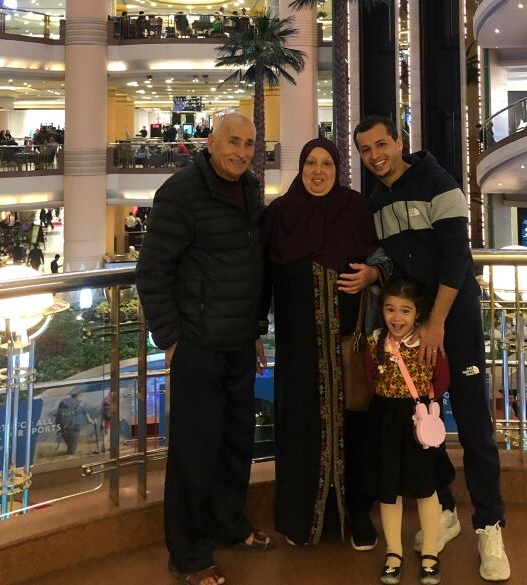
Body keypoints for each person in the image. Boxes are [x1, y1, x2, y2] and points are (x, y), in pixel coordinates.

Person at [354, 116, 510, 581]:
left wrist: (438, 321)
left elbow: (457, 256)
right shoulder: (377, 200)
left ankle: (489, 524)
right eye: (365, 149)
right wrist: (374, 276)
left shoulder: (439, 183)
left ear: (400, 142)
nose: (375, 155)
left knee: (474, 421)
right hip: (414, 330)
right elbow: (396, 262)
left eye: (382, 144)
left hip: (452, 321)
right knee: (420, 420)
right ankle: (442, 506)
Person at [136, 112, 270, 585]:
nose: (242, 151)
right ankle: (189, 553)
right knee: (194, 454)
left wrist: (255, 328)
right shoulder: (180, 192)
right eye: (234, 141)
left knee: (235, 444)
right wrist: (170, 338)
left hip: (237, 344)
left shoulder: (251, 189)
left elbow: (253, 265)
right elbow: (152, 271)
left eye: (250, 144)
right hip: (197, 346)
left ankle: (227, 524)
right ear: (211, 142)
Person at [258, 138, 385, 548]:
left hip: (348, 346)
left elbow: (384, 258)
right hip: (298, 351)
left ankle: (357, 517)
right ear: (300, 167)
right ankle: (301, 519)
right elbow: (261, 277)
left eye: (326, 163)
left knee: (358, 427)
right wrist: (256, 328)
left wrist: (373, 275)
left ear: (337, 168)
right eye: (310, 163)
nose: (318, 171)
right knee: (301, 428)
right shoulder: (279, 215)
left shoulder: (355, 208)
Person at [363, 279, 452, 585]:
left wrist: (424, 405)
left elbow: (442, 379)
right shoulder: (375, 341)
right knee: (390, 490)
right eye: (390, 309)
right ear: (382, 311)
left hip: (419, 423)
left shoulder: (427, 340)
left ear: (418, 313)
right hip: (385, 421)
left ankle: (430, 551)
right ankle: (393, 552)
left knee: (426, 489)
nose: (396, 318)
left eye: (405, 310)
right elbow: (371, 379)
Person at [55, 390, 94, 456]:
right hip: (75, 425)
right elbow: (88, 417)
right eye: (81, 396)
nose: (82, 398)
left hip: (64, 425)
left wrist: (58, 424)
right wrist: (91, 421)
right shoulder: (80, 404)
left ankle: (67, 455)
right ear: (78, 396)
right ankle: (70, 459)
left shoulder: (64, 401)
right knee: (73, 444)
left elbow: (59, 413)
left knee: (69, 442)